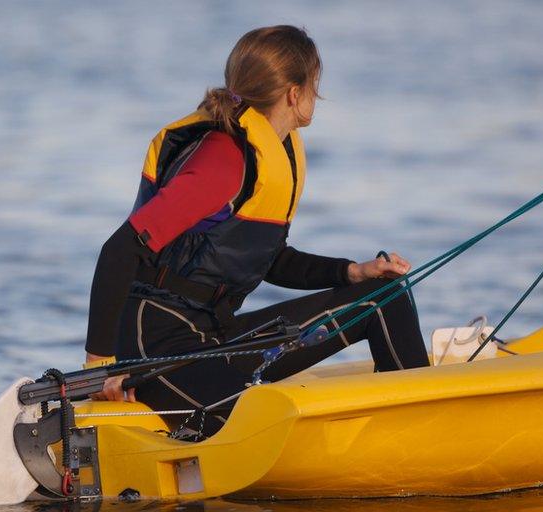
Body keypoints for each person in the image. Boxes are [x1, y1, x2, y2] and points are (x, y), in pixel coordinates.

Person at [84, 25, 428, 433]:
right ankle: (423, 434)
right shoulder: (223, 159)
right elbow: (120, 251)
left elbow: (269, 260)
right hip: (160, 357)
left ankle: (410, 430)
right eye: (315, 85)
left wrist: (352, 272)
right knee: (378, 303)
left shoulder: (269, 153)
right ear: (294, 93)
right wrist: (99, 369)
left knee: (379, 293)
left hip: (215, 340)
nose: (317, 96)